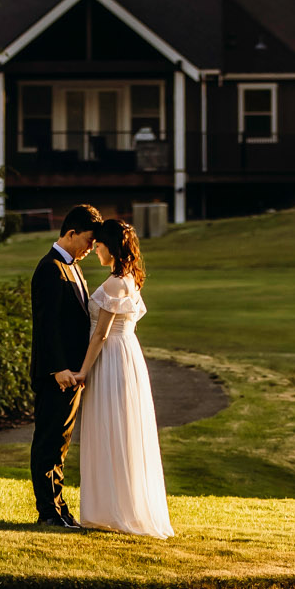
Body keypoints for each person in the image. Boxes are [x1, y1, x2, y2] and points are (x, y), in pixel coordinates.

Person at [73, 216, 174, 540]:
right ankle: (113, 506)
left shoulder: (115, 283)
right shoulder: (129, 279)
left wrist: (83, 371)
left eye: (99, 245)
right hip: (126, 355)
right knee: (118, 428)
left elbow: (100, 335)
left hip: (112, 357)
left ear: (111, 247)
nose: (96, 250)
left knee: (111, 426)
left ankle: (115, 509)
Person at [28, 204, 102, 531]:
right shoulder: (49, 268)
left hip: (72, 374)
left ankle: (60, 509)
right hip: (56, 374)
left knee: (61, 444)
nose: (90, 248)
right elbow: (47, 326)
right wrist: (58, 367)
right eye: (87, 240)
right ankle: (47, 512)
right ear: (71, 233)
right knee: (48, 442)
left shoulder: (73, 267)